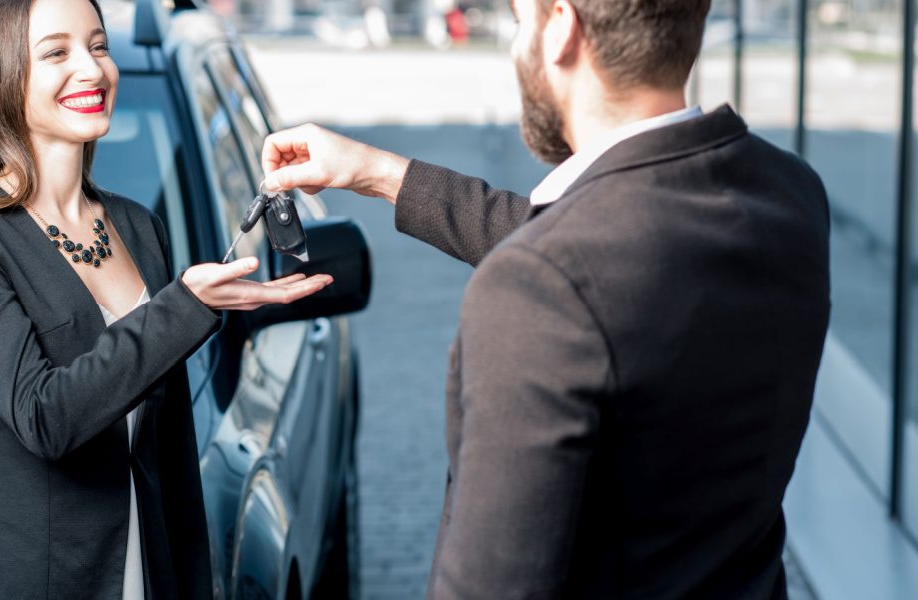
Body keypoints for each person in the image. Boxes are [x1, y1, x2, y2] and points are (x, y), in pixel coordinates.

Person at [261, 0, 830, 597]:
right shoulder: (787, 196)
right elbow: (601, 245)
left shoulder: (539, 288)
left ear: (559, 24)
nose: (514, 47)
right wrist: (378, 172)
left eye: (517, 21)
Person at [0, 0, 332, 598]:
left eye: (99, 46)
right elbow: (44, 418)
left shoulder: (137, 227)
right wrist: (186, 306)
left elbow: (173, 462)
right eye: (56, 52)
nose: (92, 70)